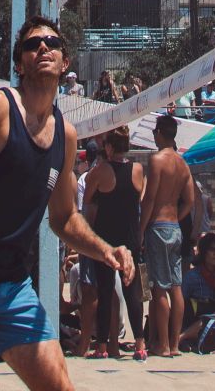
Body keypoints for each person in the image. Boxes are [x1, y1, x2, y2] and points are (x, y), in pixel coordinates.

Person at [0, 16, 134, 391]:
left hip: (13, 286)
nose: (43, 49)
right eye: (32, 45)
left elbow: (65, 217)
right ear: (19, 63)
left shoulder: (65, 135)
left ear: (65, 62)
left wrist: (105, 250)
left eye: (51, 43)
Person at [81, 128, 145, 359]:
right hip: (130, 238)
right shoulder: (137, 170)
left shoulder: (100, 171)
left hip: (105, 238)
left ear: (108, 147)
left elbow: (87, 199)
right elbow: (139, 199)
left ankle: (102, 347)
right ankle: (140, 344)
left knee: (106, 291)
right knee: (132, 291)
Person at [139, 115, 194, 357]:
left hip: (158, 227)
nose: (153, 135)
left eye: (154, 132)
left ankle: (161, 345)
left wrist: (141, 230)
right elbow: (190, 201)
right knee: (176, 286)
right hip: (175, 228)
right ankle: (174, 344)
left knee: (159, 288)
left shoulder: (157, 160)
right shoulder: (183, 164)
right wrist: (176, 217)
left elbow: (149, 199)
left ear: (161, 132)